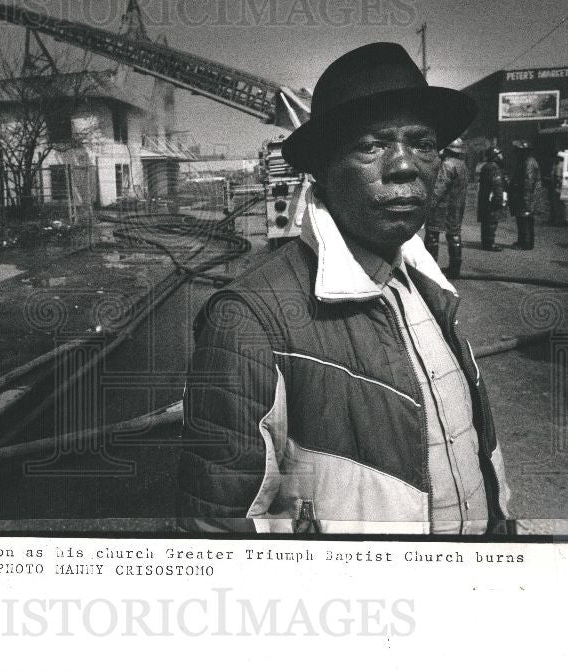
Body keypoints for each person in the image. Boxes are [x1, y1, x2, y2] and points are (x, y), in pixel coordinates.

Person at [178, 42, 514, 535]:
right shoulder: (250, 320)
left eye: (422, 143)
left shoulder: (432, 292)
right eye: (371, 145)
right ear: (321, 170)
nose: (405, 165)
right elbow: (218, 530)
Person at [423, 137, 469, 279]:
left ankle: (428, 272)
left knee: (432, 236)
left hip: (442, 208)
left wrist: (428, 205)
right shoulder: (462, 165)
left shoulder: (447, 164)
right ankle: (455, 269)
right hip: (457, 206)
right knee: (454, 235)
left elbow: (439, 188)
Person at [509, 140, 541, 249]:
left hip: (526, 197)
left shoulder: (528, 163)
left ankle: (525, 244)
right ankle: (523, 241)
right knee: (523, 219)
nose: (516, 153)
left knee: (525, 220)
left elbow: (528, 182)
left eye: (518, 151)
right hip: (524, 196)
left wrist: (526, 200)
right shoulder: (526, 161)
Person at [477, 146, 509, 251]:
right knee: (491, 221)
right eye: (499, 154)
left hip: (485, 198)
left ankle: (485, 242)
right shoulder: (494, 168)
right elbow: (497, 184)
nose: (501, 156)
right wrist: (499, 199)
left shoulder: (486, 166)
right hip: (492, 199)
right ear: (494, 156)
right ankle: (490, 243)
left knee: (486, 221)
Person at [547, 154, 568, 226]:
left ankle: (563, 220)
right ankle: (564, 219)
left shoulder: (560, 165)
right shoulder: (558, 164)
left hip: (560, 185)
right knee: (562, 204)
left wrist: (556, 183)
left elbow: (558, 177)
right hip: (561, 185)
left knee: (561, 203)